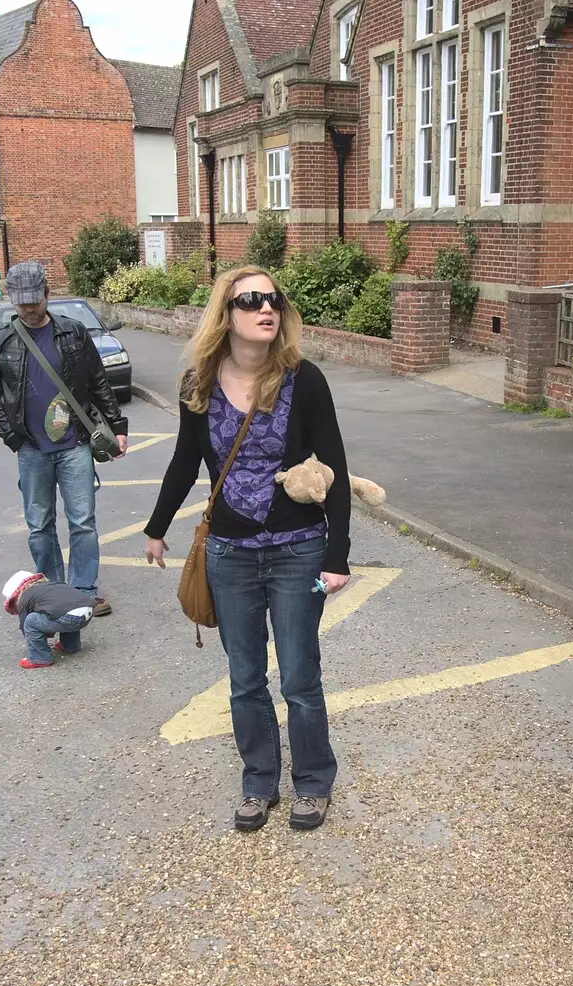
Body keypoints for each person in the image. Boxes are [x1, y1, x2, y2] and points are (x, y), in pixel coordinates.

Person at [142, 266, 352, 833]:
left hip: (299, 550)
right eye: (251, 300)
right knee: (245, 677)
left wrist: (338, 555)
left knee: (300, 675)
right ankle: (259, 779)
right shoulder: (199, 384)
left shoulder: (303, 380)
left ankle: (312, 782)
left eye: (274, 299)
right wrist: (157, 526)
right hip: (229, 553)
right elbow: (186, 462)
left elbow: (334, 465)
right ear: (226, 315)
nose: (267, 308)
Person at [0, 261, 127, 615]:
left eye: (35, 300)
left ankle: (83, 590)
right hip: (30, 447)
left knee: (83, 522)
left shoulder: (73, 332)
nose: (29, 309)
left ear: (48, 293)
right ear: (12, 300)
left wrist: (117, 427)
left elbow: (98, 382)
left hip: (74, 443)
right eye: (22, 302)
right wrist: (11, 436)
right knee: (39, 526)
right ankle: (54, 591)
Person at [3, 570, 96, 669]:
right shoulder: (52, 586)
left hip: (69, 617)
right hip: (87, 611)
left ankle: (39, 658)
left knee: (31, 621)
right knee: (63, 609)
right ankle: (70, 645)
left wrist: (42, 634)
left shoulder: (25, 597)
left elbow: (25, 625)